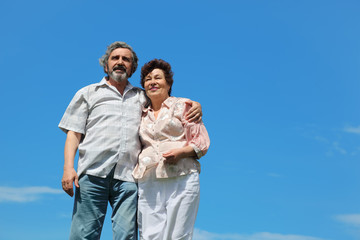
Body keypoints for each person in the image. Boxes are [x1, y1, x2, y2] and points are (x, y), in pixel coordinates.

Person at [59, 42, 202, 240]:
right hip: (93, 173)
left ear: (132, 67)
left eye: (126, 59)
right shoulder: (88, 93)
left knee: (126, 235)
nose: (120, 62)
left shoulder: (141, 96)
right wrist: (68, 168)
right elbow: (74, 133)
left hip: (128, 178)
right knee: (84, 234)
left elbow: (166, 100)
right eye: (115, 58)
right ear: (106, 65)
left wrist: (194, 104)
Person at [132, 59, 210, 240]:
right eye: (148, 79)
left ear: (168, 83)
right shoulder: (141, 113)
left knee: (178, 235)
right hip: (149, 178)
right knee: (150, 235)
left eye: (158, 78)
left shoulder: (184, 106)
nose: (152, 82)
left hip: (182, 177)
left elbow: (202, 142)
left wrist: (181, 153)